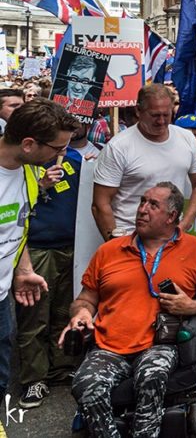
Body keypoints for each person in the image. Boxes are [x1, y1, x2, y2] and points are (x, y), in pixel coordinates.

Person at [65, 183, 196, 437]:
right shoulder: (109, 250)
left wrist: (190, 305)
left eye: (153, 205)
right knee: (85, 383)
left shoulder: (195, 250)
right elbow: (86, 298)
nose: (142, 209)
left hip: (159, 345)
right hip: (109, 347)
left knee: (152, 375)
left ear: (172, 217)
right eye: (142, 202)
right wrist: (82, 313)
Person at [0, 100, 78, 402]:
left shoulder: (29, 173)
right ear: (29, 144)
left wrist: (23, 270)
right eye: (56, 148)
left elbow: (18, 229)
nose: (60, 154)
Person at [15, 141, 88, 409]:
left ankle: (61, 367)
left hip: (72, 245)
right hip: (37, 247)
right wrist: (41, 184)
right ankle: (34, 377)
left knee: (64, 311)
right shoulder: (27, 160)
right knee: (34, 316)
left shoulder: (77, 159)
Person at [92, 85, 196, 238]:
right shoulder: (119, 147)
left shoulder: (186, 139)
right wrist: (116, 244)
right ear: (138, 111)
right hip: (129, 238)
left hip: (171, 238)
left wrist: (184, 225)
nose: (161, 121)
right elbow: (100, 204)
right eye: (155, 115)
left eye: (166, 115)